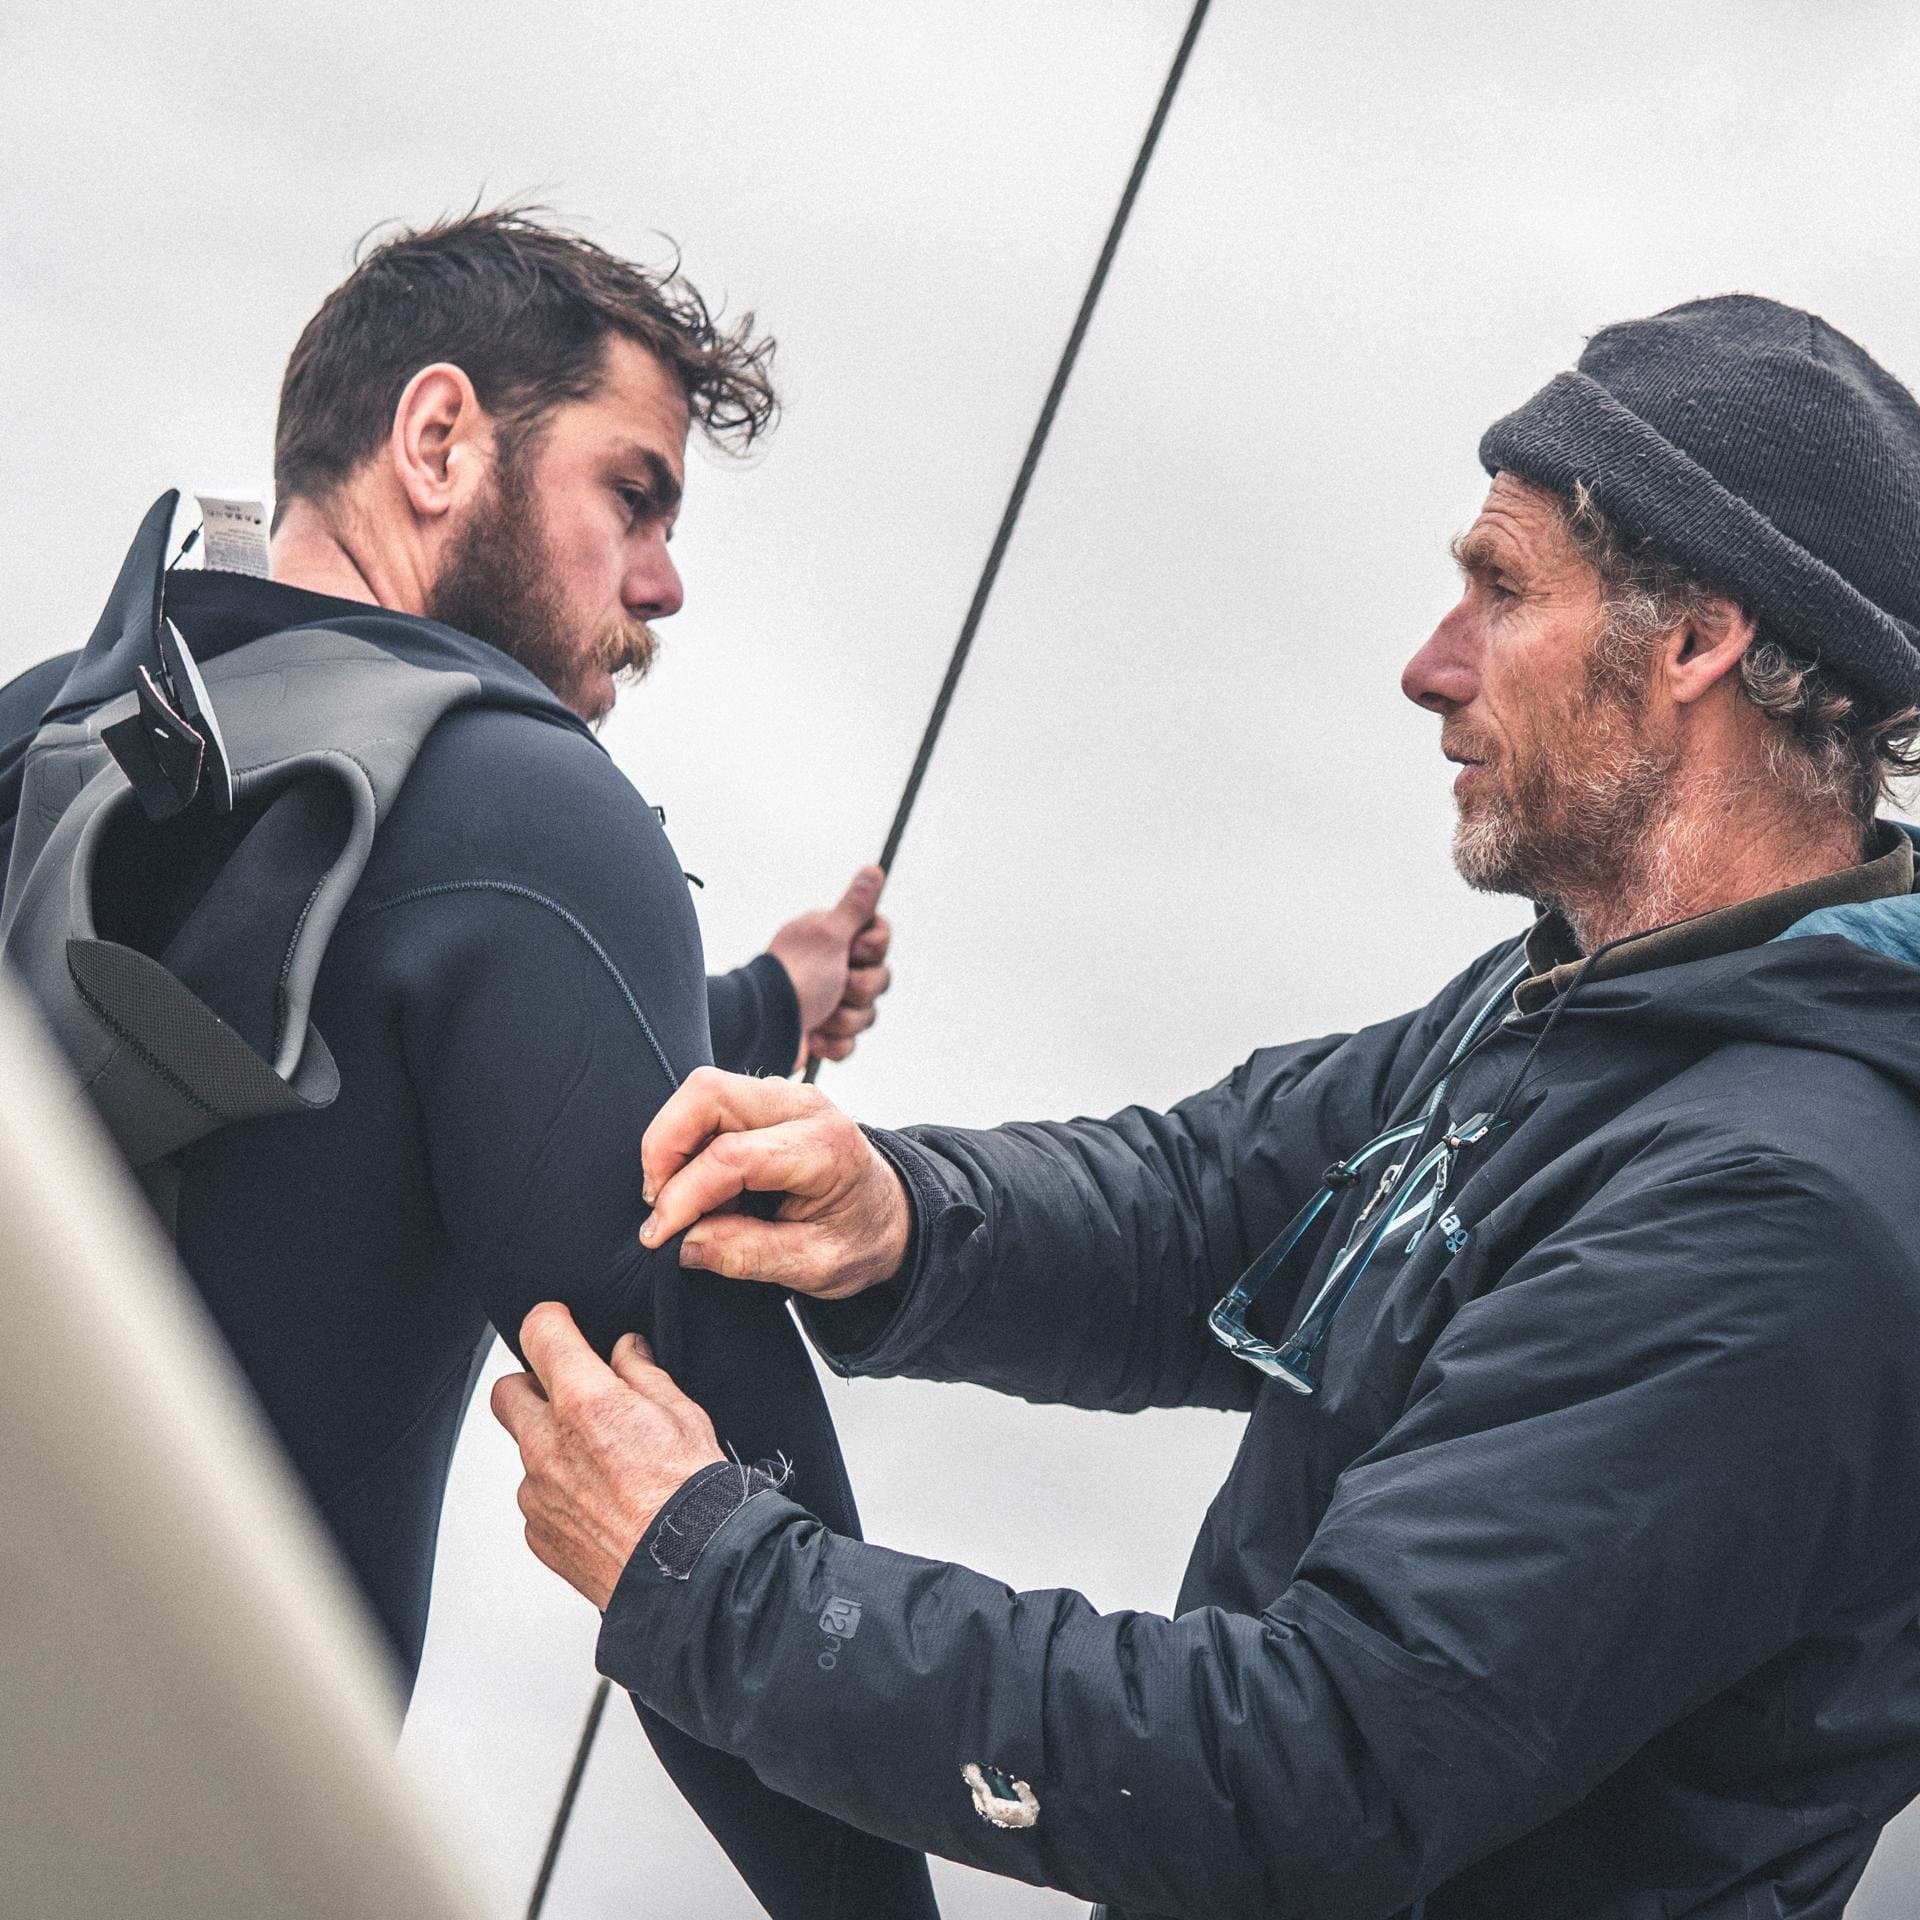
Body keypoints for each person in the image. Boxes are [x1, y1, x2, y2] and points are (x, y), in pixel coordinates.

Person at [495, 295, 1920, 1920]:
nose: (1430, 665)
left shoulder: (1781, 1214)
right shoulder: (1587, 999)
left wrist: (718, 1585)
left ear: (1696, 642)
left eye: (1502, 588)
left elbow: (1317, 1763)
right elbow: (1210, 1208)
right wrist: (902, 1217)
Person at [0, 210, 938, 1917]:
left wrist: (773, 1000)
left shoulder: (48, 737)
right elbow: (721, 1521)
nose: (662, 584)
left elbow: (360, 1015)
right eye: (633, 496)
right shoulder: (525, 810)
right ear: (437, 440)